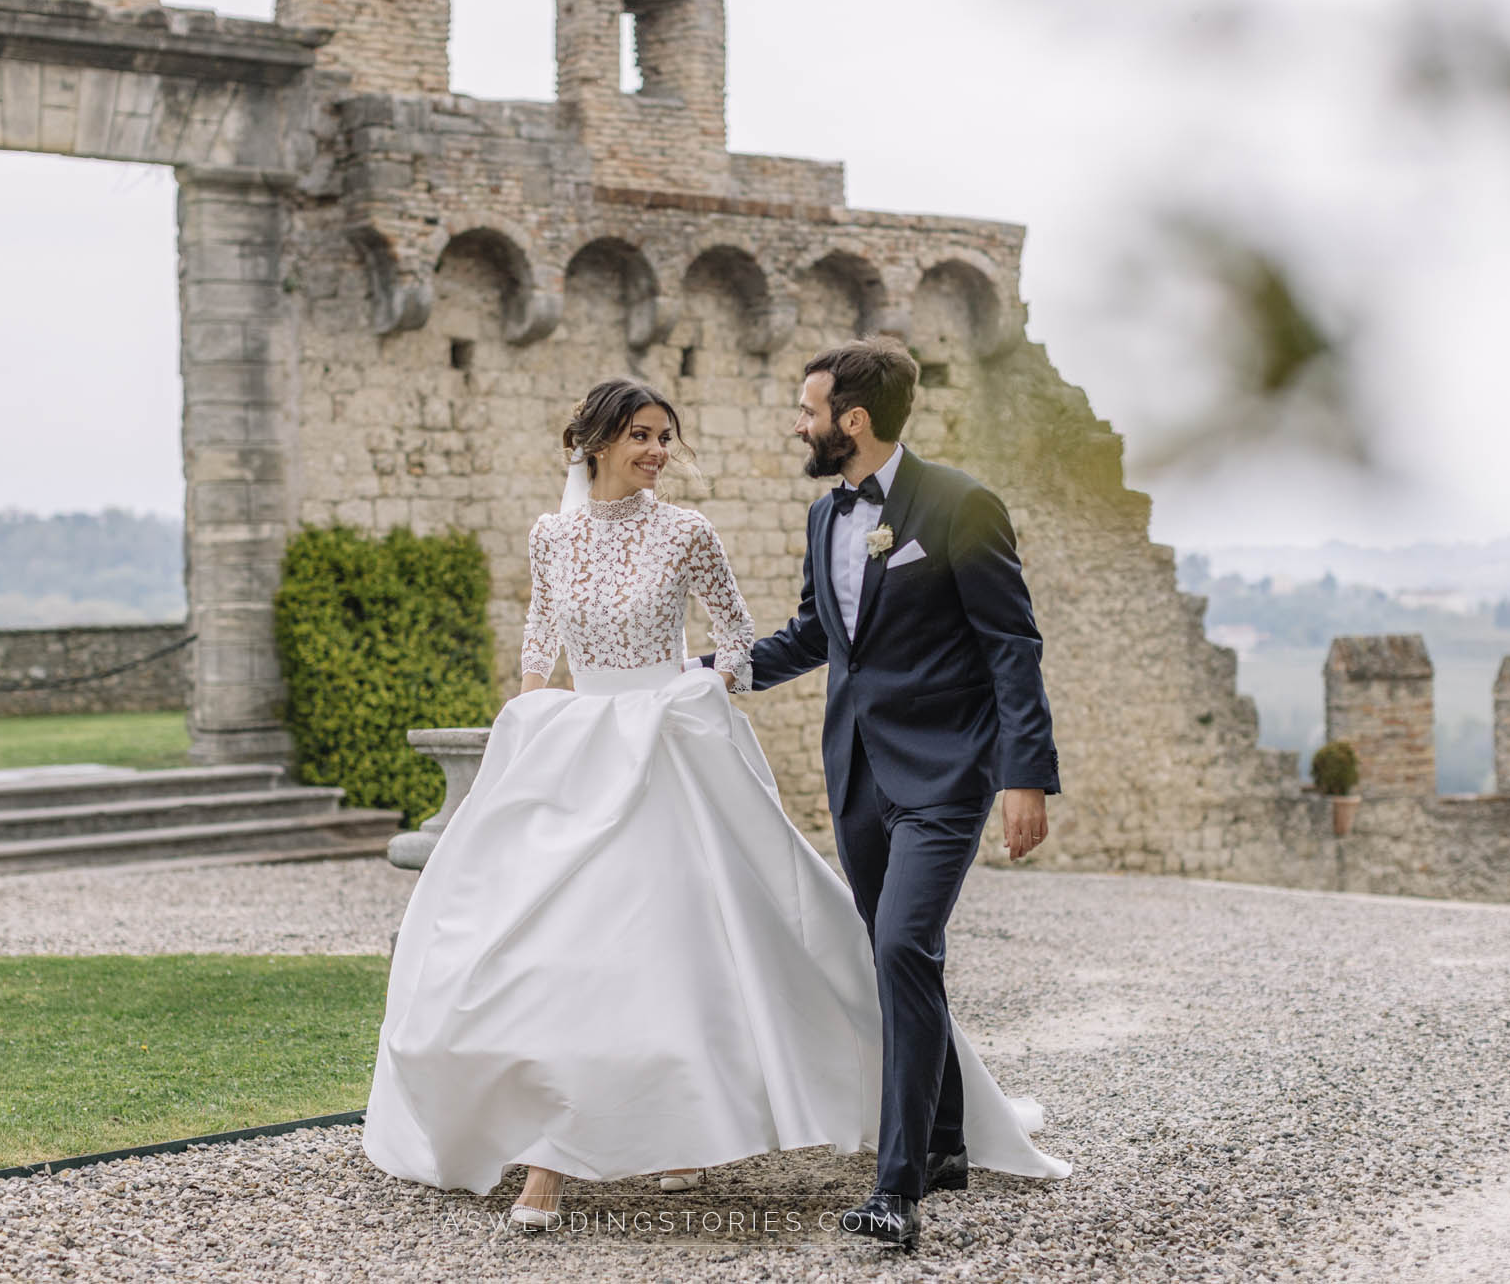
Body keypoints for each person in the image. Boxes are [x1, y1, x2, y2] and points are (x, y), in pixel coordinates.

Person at [362, 377, 1068, 1236]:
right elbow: (541, 639)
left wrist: (697, 685)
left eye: (666, 436)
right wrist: (530, 729)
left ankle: (900, 1150)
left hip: (672, 756)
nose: (658, 451)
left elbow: (740, 639)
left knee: (695, 947)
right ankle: (613, 1141)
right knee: (551, 947)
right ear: (596, 442)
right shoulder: (552, 535)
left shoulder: (690, 531)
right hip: (576, 753)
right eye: (642, 435)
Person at [709, 335, 1062, 1248]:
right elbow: (815, 636)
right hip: (858, 772)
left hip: (947, 774)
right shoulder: (825, 517)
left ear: (853, 420)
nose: (799, 424)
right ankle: (943, 1141)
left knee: (904, 943)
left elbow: (1011, 647)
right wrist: (711, 672)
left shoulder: (959, 504)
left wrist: (1026, 775)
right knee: (899, 956)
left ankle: (895, 1189)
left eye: (808, 410)